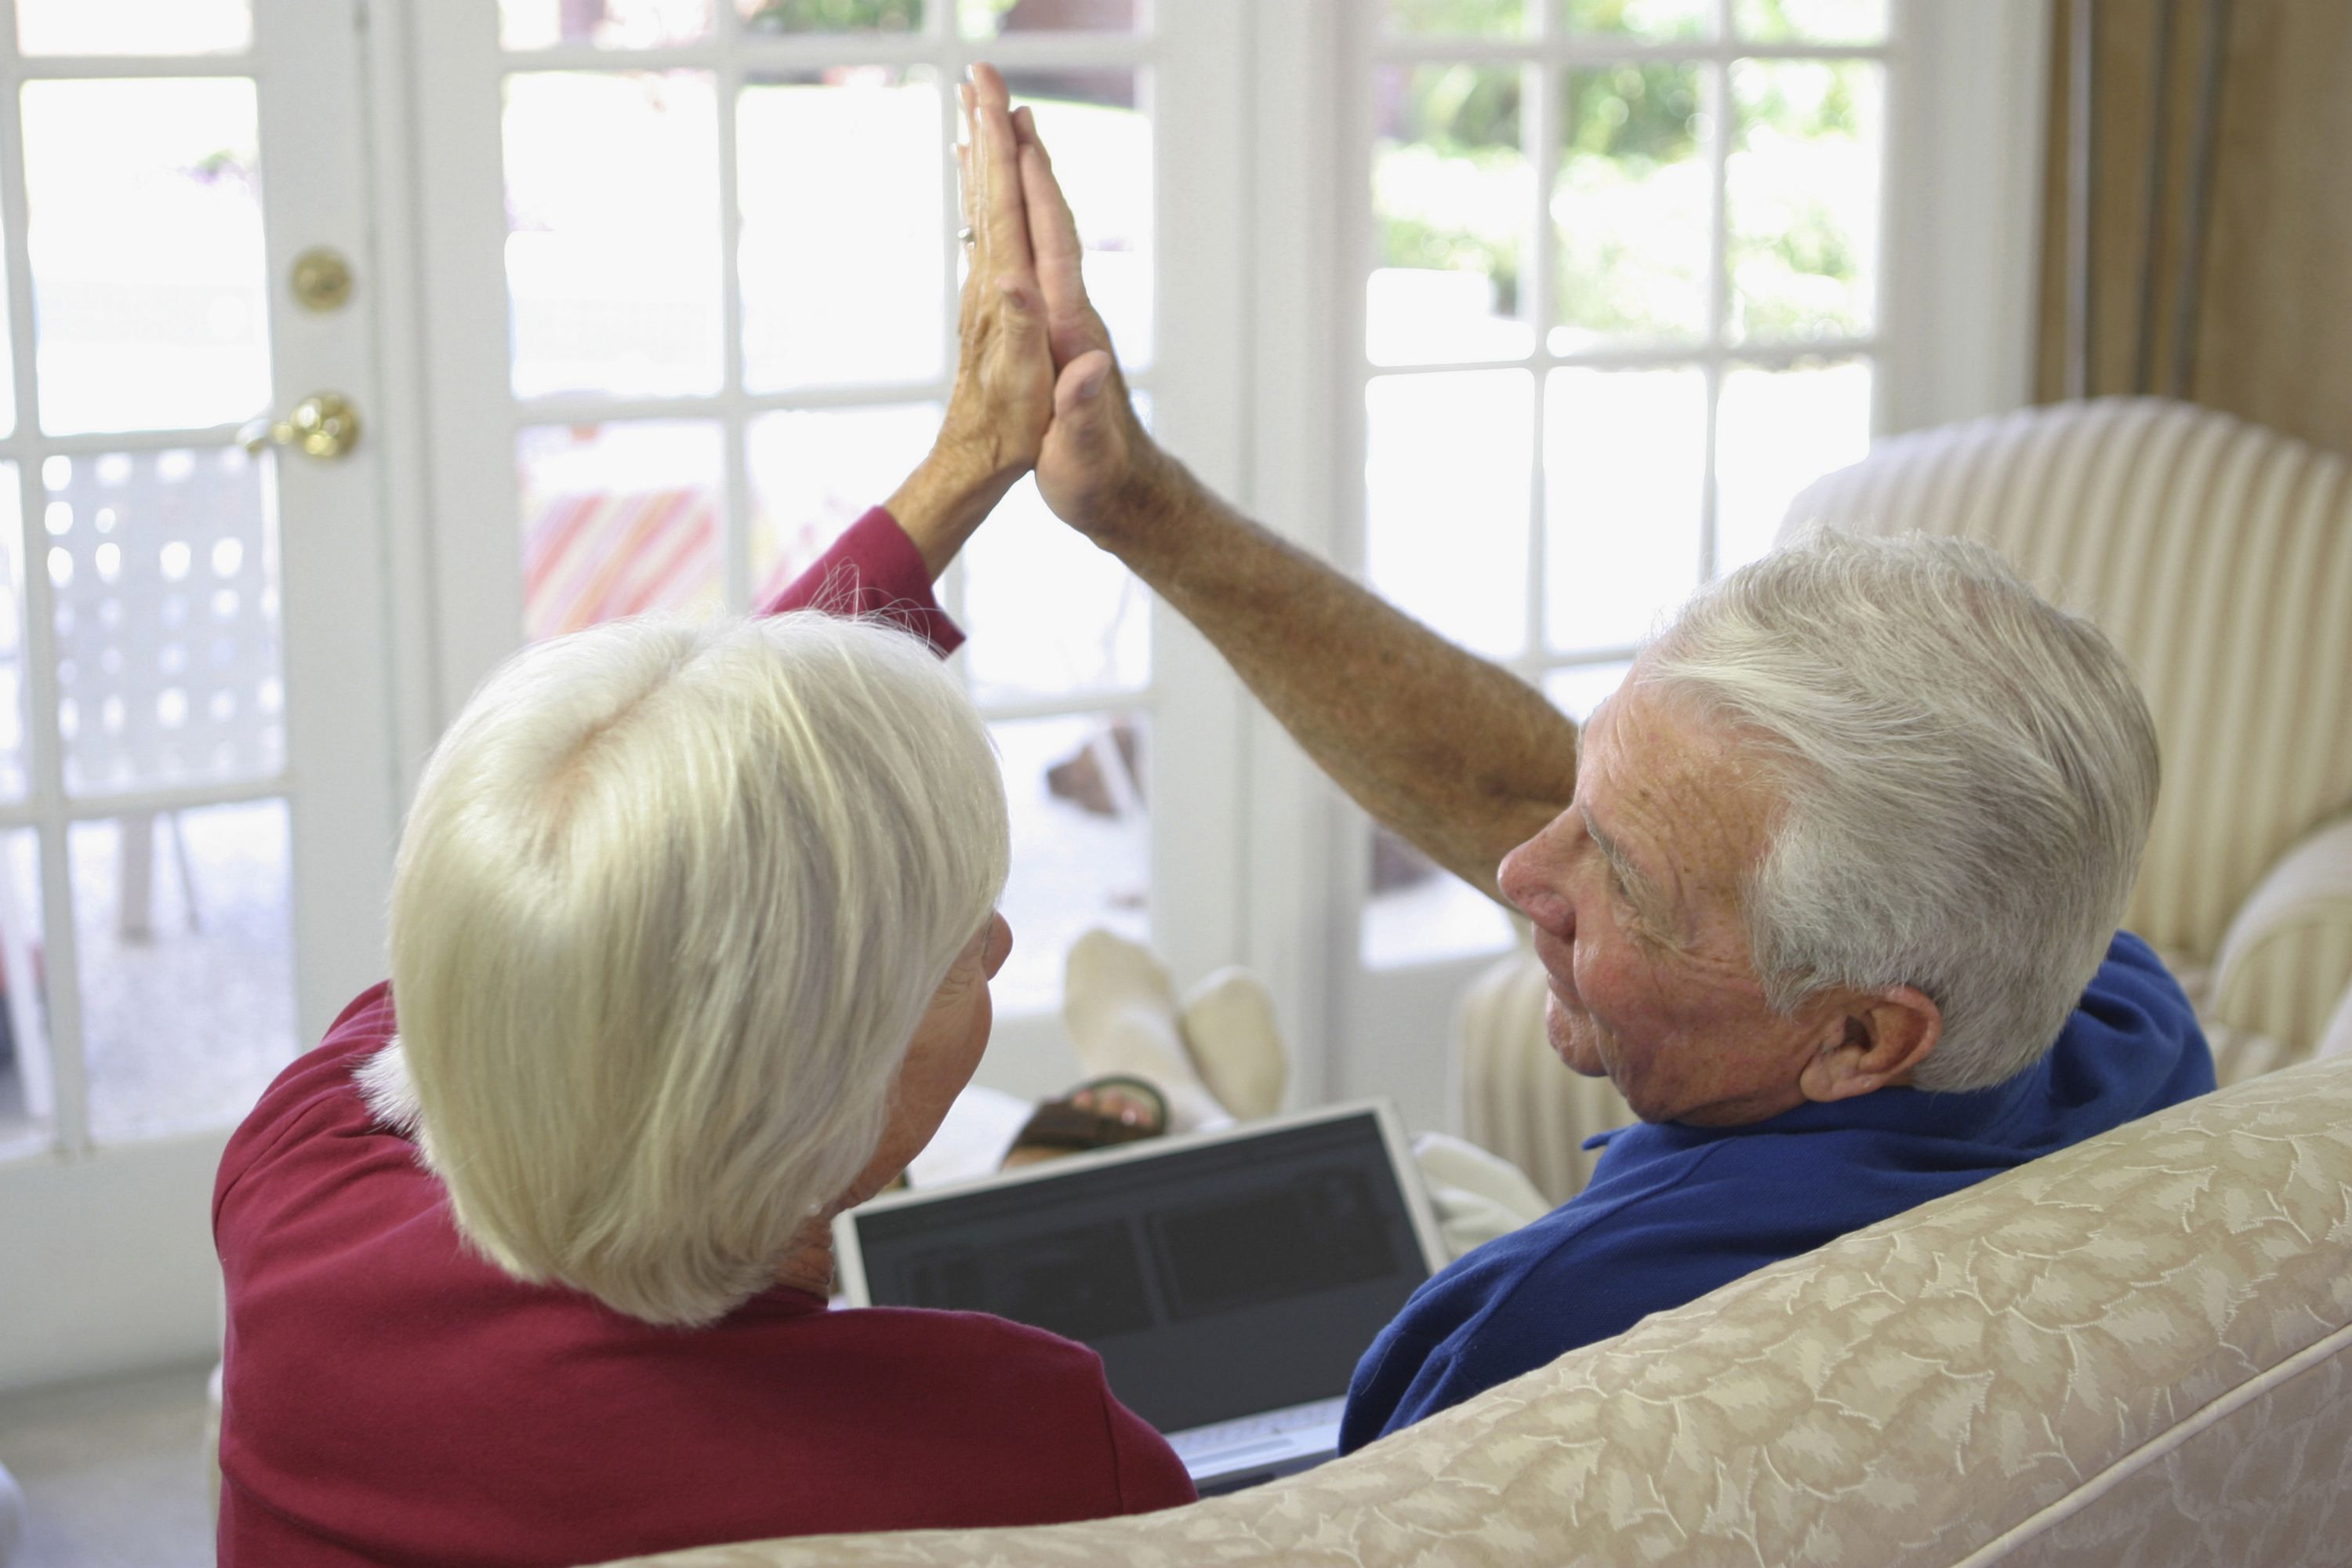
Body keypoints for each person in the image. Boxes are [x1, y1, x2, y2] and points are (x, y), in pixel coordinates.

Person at [987, 111, 2216, 1450]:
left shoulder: (1536, 1353)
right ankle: (1184, 1083)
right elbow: (1558, 810)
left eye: (1623, 878)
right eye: (1586, 796)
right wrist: (1136, 503)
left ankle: (1161, 1093)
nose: (1522, 869)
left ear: (1862, 1036)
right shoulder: (2121, 1026)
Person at [211, 68, 1196, 1567]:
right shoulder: (1020, 1441)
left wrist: (966, 467)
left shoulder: (303, 1188)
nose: (996, 940)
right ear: (807, 1098)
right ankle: (1163, 1080)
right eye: (942, 948)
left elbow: (609, 856)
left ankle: (1160, 1076)